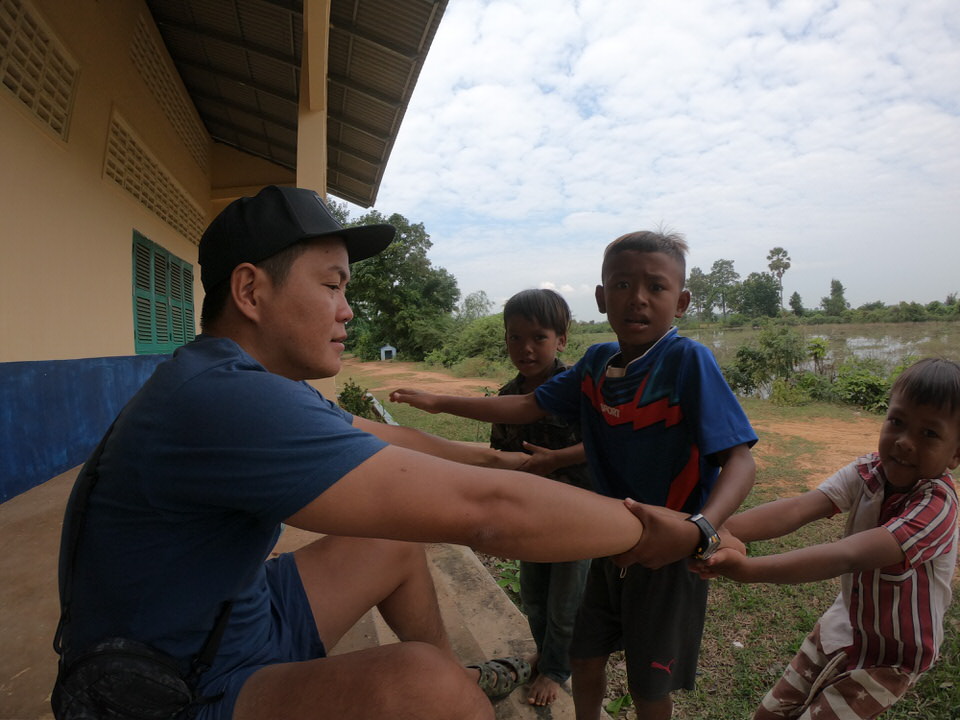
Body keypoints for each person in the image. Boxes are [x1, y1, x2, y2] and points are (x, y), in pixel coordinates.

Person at [53, 186, 651, 720]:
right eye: (332, 286)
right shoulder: (222, 399)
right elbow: (488, 514)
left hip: (237, 619)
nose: (347, 310)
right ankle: (454, 696)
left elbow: (391, 437)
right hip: (170, 688)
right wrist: (667, 531)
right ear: (250, 290)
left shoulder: (243, 381)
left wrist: (502, 460)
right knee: (424, 688)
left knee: (390, 550)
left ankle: (461, 682)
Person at [391, 230, 758, 720]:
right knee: (584, 656)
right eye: (624, 285)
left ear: (683, 301)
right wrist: (437, 402)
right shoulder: (595, 363)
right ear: (603, 297)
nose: (639, 299)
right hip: (603, 538)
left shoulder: (687, 362)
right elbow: (525, 404)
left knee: (650, 685)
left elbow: (740, 459)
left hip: (669, 547)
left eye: (657, 287)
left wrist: (700, 530)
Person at [693, 357, 960, 720]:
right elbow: (801, 508)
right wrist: (717, 530)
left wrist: (748, 569)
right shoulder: (869, 472)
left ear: (956, 453)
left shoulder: (937, 506)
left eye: (929, 433)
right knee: (768, 714)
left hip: (892, 657)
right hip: (842, 626)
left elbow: (846, 555)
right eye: (897, 422)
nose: (904, 442)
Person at [489, 288, 593, 706]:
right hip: (528, 514)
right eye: (515, 337)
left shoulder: (581, 392)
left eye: (538, 338)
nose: (526, 348)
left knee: (565, 600)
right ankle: (546, 653)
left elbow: (603, 446)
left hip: (577, 516)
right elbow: (497, 457)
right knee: (533, 594)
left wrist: (555, 461)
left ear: (561, 340)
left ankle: (556, 669)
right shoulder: (506, 397)